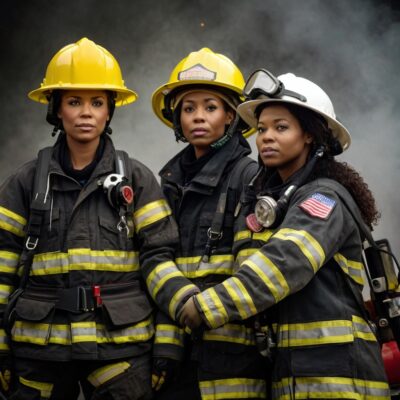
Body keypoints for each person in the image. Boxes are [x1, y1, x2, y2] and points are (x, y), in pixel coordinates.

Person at [0, 37, 198, 400]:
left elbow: (160, 259)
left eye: (97, 102)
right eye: (74, 102)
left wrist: (168, 345)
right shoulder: (24, 183)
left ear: (110, 111)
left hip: (119, 350)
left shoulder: (137, 180)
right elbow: (1, 268)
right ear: (56, 109)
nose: (86, 112)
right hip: (40, 352)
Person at [179, 70, 391, 399]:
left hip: (340, 380)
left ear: (309, 135)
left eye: (281, 128)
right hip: (298, 378)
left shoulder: (323, 198)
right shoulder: (283, 201)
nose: (266, 137)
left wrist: (207, 306)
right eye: (262, 129)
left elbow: (284, 263)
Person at [150, 48, 268, 399]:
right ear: (177, 119)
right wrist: (168, 342)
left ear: (232, 117)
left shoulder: (250, 177)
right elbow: (155, 259)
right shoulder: (169, 182)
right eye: (188, 108)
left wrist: (201, 310)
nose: (198, 117)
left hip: (233, 355)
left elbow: (252, 269)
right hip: (177, 353)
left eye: (210, 107)